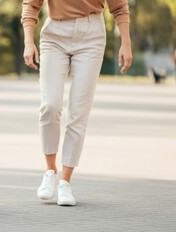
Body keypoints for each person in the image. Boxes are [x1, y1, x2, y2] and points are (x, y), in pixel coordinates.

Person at [21, 0, 132, 206]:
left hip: (92, 36)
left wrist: (125, 43)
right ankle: (50, 171)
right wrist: (29, 41)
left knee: (78, 113)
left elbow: (119, 7)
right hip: (55, 33)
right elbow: (30, 5)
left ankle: (65, 182)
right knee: (49, 105)